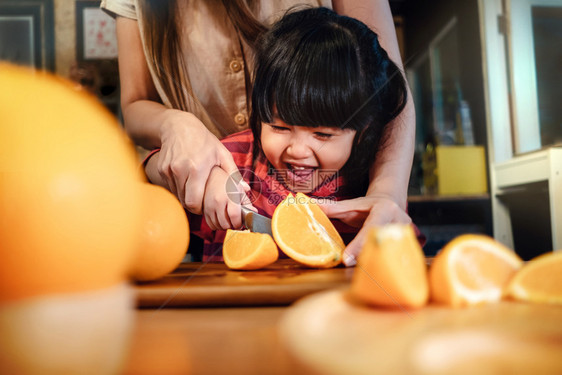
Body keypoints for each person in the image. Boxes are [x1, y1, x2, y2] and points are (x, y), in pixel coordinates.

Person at [101, 0, 416, 265]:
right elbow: (146, 177)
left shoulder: (362, 187)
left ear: (362, 132)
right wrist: (204, 173)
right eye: (279, 127)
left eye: (322, 135)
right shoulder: (232, 167)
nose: (298, 150)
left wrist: (386, 199)